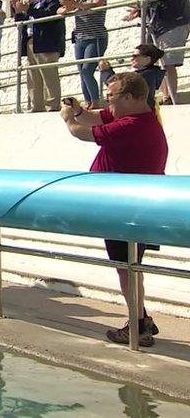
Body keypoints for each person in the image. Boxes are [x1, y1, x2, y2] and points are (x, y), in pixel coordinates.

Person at [61, 72, 167, 346]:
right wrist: (79, 110)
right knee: (129, 267)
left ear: (130, 98)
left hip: (126, 208)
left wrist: (68, 119)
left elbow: (81, 132)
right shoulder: (135, 116)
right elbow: (94, 118)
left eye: (112, 97)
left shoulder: (131, 124)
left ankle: (138, 325)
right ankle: (140, 319)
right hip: (129, 205)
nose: (108, 103)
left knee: (126, 268)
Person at [123, 0, 190, 105]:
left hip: (173, 24)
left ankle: (174, 100)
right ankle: (167, 97)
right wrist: (140, 11)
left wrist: (142, 6)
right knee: (160, 61)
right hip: (163, 26)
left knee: (168, 62)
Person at [13, 0, 66, 112]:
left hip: (47, 40)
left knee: (48, 74)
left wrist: (28, 9)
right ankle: (36, 105)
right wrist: (18, 12)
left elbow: (47, 15)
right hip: (32, 40)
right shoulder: (34, 2)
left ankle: (53, 105)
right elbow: (22, 21)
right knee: (32, 76)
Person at [59, 0, 108, 108]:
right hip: (80, 39)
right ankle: (88, 101)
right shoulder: (79, 0)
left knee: (87, 70)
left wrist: (74, 4)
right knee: (82, 71)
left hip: (95, 37)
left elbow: (97, 5)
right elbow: (61, 11)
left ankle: (96, 100)